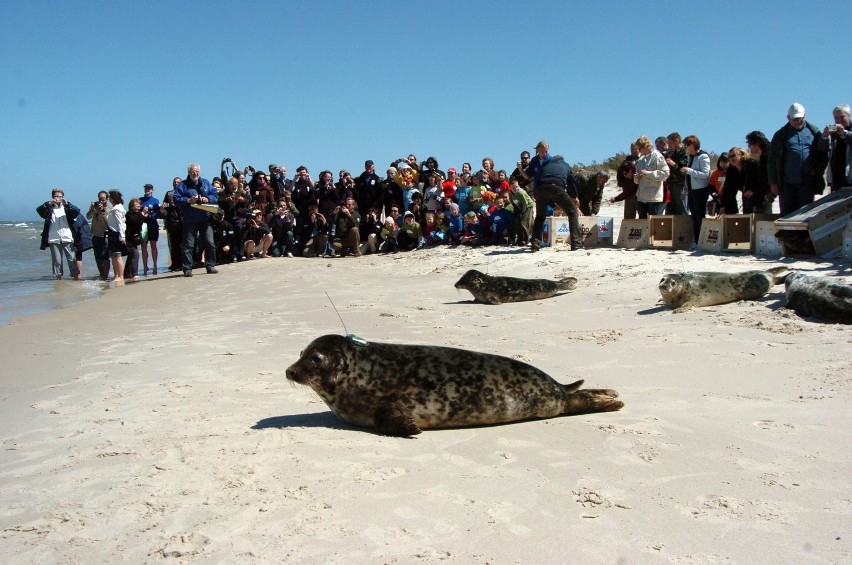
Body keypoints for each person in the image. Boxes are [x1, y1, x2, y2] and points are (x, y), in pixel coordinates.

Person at [518, 140, 583, 252]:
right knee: (572, 212)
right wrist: (574, 197)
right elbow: (572, 182)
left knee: (540, 217)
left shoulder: (549, 164)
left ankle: (535, 245)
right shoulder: (565, 165)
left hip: (540, 189)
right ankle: (576, 244)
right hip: (555, 188)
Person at [767, 103, 829, 215]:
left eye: (800, 118)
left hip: (807, 182)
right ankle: (787, 233)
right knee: (787, 213)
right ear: (788, 118)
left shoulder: (814, 132)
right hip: (787, 183)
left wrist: (817, 171)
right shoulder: (780, 135)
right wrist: (773, 182)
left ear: (805, 116)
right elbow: (771, 161)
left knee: (805, 214)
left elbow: (823, 154)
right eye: (794, 119)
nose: (797, 121)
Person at [173, 163, 219, 276]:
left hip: (205, 218)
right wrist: (188, 200)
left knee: (210, 242)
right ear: (189, 172)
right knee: (188, 245)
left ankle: (210, 265)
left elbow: (215, 195)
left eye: (197, 171)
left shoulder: (206, 183)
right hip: (189, 219)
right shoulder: (183, 185)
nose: (195, 173)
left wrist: (207, 198)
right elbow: (176, 199)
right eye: (193, 171)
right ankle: (187, 268)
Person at [37, 188, 81, 280]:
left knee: (71, 258)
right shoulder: (49, 208)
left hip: (67, 237)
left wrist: (68, 204)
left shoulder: (67, 207)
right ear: (53, 197)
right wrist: (48, 203)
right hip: (54, 238)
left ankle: (76, 277)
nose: (58, 198)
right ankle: (58, 279)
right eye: (56, 196)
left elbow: (76, 212)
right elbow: (40, 211)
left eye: (60, 196)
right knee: (57, 261)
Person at [680, 135, 711, 244]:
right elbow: (688, 177)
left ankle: (701, 240)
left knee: (700, 217)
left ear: (692, 145)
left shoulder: (703, 156)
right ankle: (696, 241)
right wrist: (685, 190)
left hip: (701, 190)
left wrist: (689, 170)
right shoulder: (690, 157)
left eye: (686, 145)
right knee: (694, 217)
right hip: (691, 190)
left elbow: (706, 174)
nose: (685, 148)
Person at [633, 135, 670, 219]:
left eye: (640, 148)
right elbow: (637, 181)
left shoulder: (658, 156)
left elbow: (665, 174)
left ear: (646, 146)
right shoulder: (640, 160)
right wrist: (636, 177)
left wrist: (648, 173)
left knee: (653, 224)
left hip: (654, 197)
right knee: (642, 222)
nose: (639, 151)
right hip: (641, 197)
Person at [822, 104, 851, 191]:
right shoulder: (833, 132)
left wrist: (843, 133)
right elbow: (822, 149)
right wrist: (825, 136)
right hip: (836, 179)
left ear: (848, 116)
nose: (839, 120)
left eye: (842, 117)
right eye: (836, 118)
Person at [86, 190, 112, 280]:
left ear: (107, 199)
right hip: (96, 235)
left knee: (105, 257)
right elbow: (88, 216)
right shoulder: (95, 207)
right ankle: (102, 275)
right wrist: (93, 209)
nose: (101, 202)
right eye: (100, 199)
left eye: (103, 200)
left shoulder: (110, 208)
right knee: (98, 257)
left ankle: (106, 276)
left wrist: (102, 212)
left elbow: (109, 223)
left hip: (105, 235)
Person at [611, 143, 640, 219]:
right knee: (628, 217)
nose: (634, 151)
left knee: (643, 215)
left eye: (635, 149)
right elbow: (620, 175)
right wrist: (626, 178)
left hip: (640, 192)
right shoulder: (626, 162)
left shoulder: (644, 159)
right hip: (628, 192)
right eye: (632, 149)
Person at [161, 179, 183, 272]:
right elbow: (164, 206)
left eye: (178, 182)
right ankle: (175, 264)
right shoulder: (169, 193)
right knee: (174, 246)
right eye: (174, 182)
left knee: (184, 245)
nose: (176, 183)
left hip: (182, 222)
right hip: (172, 223)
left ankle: (184, 263)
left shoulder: (183, 192)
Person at [664, 133, 688, 215]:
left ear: (677, 141)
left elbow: (684, 170)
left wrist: (673, 164)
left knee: (681, 208)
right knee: (671, 209)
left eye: (670, 143)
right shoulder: (672, 153)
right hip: (671, 184)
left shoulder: (684, 152)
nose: (669, 145)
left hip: (680, 184)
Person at [139, 183, 160, 275]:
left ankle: (155, 266)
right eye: (146, 188)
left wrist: (150, 214)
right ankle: (145, 267)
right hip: (143, 225)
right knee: (143, 246)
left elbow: (157, 213)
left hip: (153, 225)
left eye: (149, 188)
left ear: (152, 190)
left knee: (153, 245)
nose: (147, 190)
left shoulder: (155, 201)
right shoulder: (140, 200)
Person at [106, 190, 127, 283]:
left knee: (117, 256)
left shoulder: (116, 209)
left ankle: (121, 275)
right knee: (113, 256)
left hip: (116, 233)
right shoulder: (117, 207)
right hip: (112, 233)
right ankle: (116, 274)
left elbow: (120, 223)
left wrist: (122, 237)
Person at [507, 178, 534, 245]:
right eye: (513, 187)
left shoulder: (521, 193)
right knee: (518, 224)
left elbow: (525, 204)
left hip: (528, 207)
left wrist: (522, 213)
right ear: (510, 187)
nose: (515, 188)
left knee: (524, 223)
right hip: (519, 207)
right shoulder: (510, 194)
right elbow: (513, 203)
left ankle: (526, 239)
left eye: (517, 186)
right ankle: (519, 240)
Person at [123, 198, 144, 282]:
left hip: (136, 236)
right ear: (131, 206)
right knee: (135, 254)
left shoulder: (138, 213)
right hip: (129, 237)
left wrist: (144, 214)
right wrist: (141, 215)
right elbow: (134, 221)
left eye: (139, 204)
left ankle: (127, 273)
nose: (138, 206)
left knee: (132, 255)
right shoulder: (129, 214)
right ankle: (134, 273)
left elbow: (141, 221)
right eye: (136, 205)